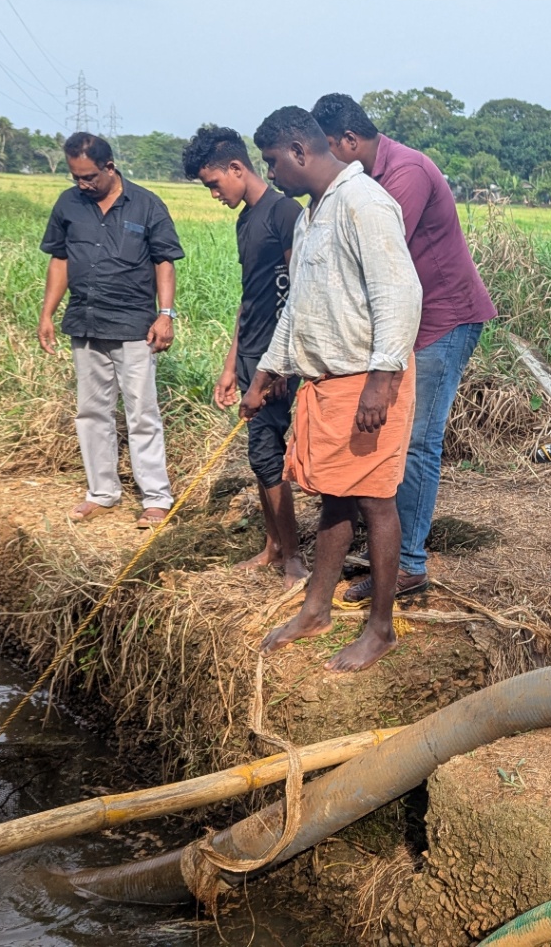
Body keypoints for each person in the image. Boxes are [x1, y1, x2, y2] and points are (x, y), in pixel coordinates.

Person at [240, 107, 422, 673]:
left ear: (299, 150)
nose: (271, 176)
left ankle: (381, 629)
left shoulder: (364, 203)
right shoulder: (311, 215)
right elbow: (298, 308)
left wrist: (382, 379)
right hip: (327, 382)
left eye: (272, 162)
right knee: (338, 496)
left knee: (375, 500)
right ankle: (316, 610)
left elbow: (400, 294)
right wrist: (267, 373)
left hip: (368, 382)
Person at [311, 94, 497, 604]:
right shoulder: (367, 178)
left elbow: (379, 262)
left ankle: (409, 565)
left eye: (327, 150)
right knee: (394, 438)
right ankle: (388, 550)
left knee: (416, 441)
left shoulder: (405, 174)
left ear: (349, 141)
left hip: (443, 320)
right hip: (407, 327)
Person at [182, 124, 309, 588]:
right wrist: (230, 365)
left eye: (215, 183)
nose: (214, 194)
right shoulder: (245, 221)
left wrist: (280, 366)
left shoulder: (284, 213)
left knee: (269, 453)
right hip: (252, 353)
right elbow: (248, 298)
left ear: (237, 168)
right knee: (260, 456)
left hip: (279, 360)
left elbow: (300, 294)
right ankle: (274, 547)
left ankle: (293, 558)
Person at [38, 132, 185, 530]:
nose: (83, 185)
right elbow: (59, 260)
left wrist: (165, 314)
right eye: (76, 177)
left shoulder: (147, 204)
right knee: (92, 412)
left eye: (89, 177)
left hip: (134, 325)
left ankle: (155, 497)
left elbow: (165, 261)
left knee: (142, 413)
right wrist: (47, 313)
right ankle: (102, 492)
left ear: (109, 166)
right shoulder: (69, 204)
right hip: (85, 322)